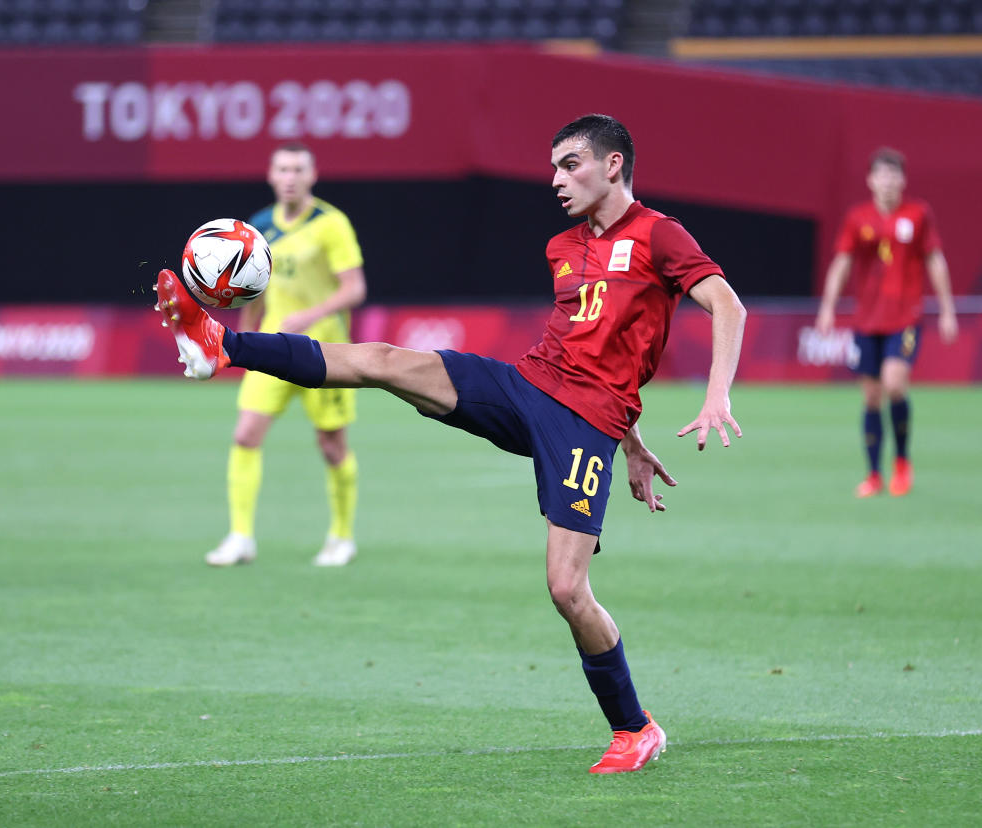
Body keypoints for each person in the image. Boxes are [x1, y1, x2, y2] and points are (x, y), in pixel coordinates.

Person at [155, 114, 747, 774]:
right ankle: (222, 344)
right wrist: (636, 442)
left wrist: (710, 397)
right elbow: (602, 346)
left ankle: (635, 728)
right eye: (553, 167)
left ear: (613, 166)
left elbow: (727, 305)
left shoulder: (659, 235)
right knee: (383, 361)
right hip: (526, 386)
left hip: (584, 427)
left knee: (567, 589)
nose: (556, 179)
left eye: (570, 165)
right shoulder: (563, 247)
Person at [205, 143, 368, 568]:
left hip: (324, 353)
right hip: (274, 350)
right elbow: (252, 292)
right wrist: (241, 345)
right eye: (283, 169)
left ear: (312, 175)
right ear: (271, 175)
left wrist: (310, 315)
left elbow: (354, 288)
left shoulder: (331, 224)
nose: (290, 176)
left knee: (331, 447)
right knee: (244, 436)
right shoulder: (258, 228)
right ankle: (240, 537)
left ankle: (342, 536)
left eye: (298, 169)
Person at [815, 147, 958, 498]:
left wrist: (947, 309)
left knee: (895, 384)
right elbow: (842, 263)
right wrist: (828, 306)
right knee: (871, 397)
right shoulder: (858, 218)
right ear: (870, 180)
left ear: (903, 180)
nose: (888, 181)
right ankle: (875, 474)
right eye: (882, 175)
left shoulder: (919, 214)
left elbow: (935, 261)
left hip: (905, 318)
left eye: (894, 175)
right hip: (867, 321)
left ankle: (903, 463)